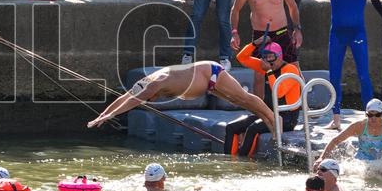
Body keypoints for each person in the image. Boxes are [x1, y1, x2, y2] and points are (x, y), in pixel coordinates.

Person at [305, 0, 382, 129]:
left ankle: (370, 118)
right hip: (337, 34)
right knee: (334, 76)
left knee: (363, 75)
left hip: (357, 33)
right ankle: (336, 119)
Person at [87, 62, 279, 132]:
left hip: (210, 72)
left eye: (149, 98)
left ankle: (272, 116)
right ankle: (267, 119)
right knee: (237, 101)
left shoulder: (155, 84)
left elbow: (133, 101)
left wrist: (110, 116)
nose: (150, 100)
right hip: (205, 84)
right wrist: (101, 115)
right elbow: (126, 96)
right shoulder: (144, 83)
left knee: (242, 97)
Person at [229, 0, 303, 93]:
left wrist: (297, 29)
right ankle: (260, 112)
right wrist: (234, 32)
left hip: (281, 32)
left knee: (294, 68)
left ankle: (301, 106)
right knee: (259, 74)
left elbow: (293, 6)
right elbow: (235, 9)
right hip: (261, 35)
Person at [225, 40, 302, 158]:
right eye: (265, 57)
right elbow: (241, 57)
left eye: (271, 57)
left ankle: (243, 159)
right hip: (267, 113)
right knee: (231, 127)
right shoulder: (265, 66)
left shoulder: (290, 70)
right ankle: (228, 159)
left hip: (286, 118)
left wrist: (269, 72)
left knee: (252, 129)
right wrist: (255, 44)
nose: (268, 61)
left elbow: (279, 93)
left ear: (280, 57)